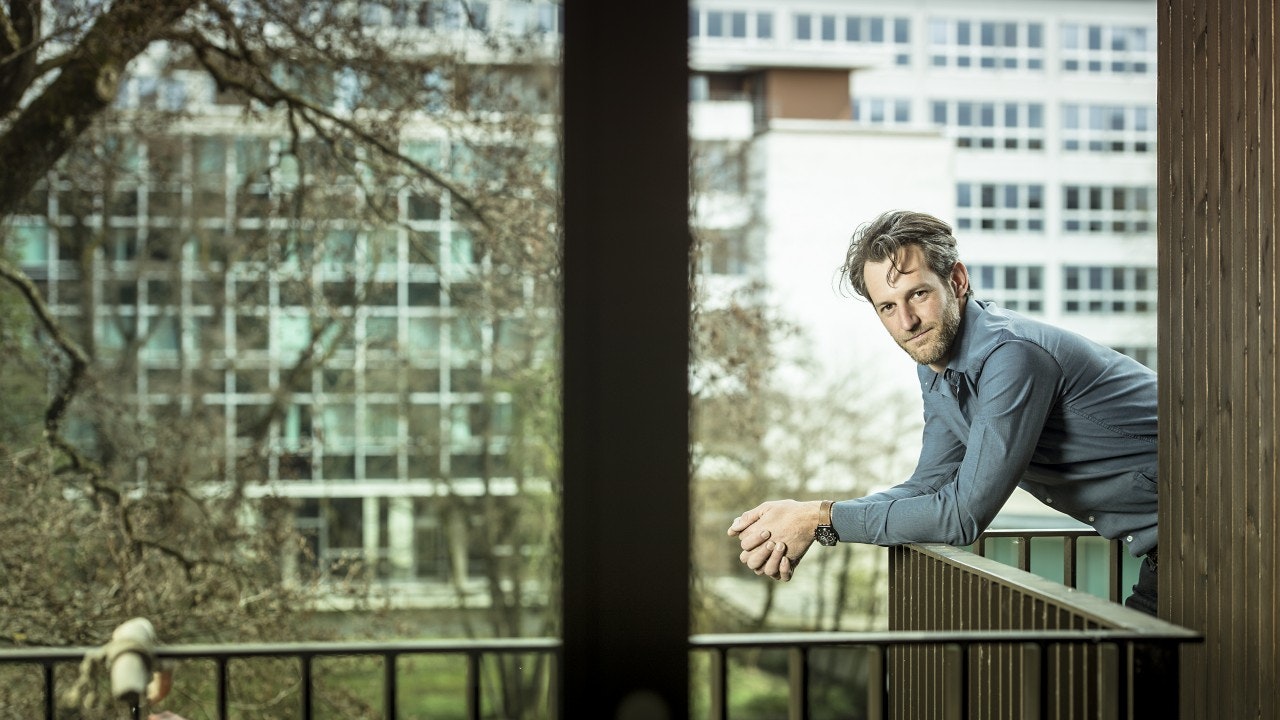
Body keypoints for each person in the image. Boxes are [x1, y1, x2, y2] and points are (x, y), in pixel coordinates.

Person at [727, 210, 1160, 615]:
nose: (908, 322)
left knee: (1128, 683)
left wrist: (822, 518)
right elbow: (929, 484)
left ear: (957, 280)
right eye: (888, 307)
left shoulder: (1011, 357)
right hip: (1167, 546)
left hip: (1209, 517)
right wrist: (810, 516)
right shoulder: (938, 368)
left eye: (918, 294)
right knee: (1126, 684)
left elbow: (961, 515)